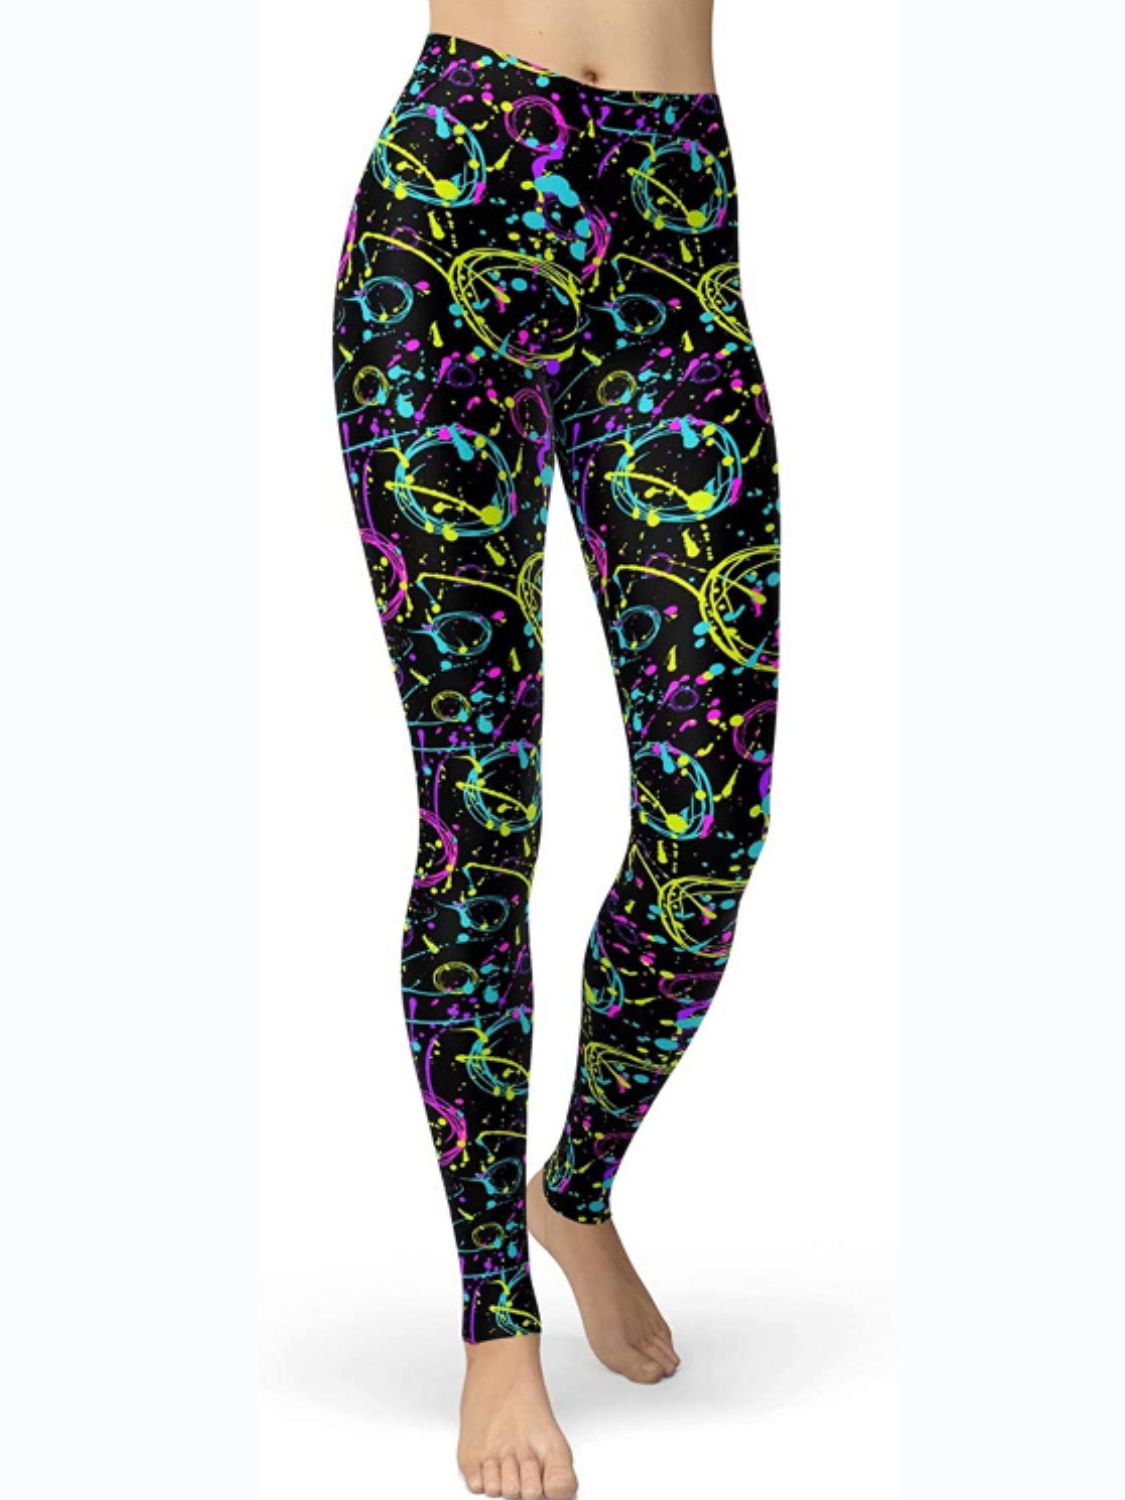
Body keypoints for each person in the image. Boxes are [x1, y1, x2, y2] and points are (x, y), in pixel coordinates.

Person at [330, 3, 780, 1495]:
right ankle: (495, 1322)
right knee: (481, 816)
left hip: (674, 227)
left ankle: (573, 1192)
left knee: (708, 831)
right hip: (454, 200)